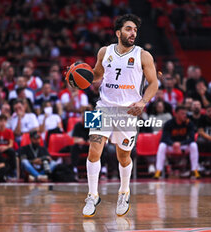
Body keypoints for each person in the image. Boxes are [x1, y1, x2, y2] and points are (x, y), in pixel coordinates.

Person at [79, 14, 158, 217]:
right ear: (118, 32)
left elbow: (154, 83)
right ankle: (92, 195)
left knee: (123, 156)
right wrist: (80, 78)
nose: (133, 33)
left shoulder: (143, 55)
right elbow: (97, 74)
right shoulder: (104, 51)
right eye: (129, 29)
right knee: (93, 149)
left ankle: (124, 191)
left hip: (128, 111)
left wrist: (142, 102)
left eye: (135, 31)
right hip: (103, 107)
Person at [153, 106, 200, 179]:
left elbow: (192, 138)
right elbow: (164, 138)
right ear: (176, 114)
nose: (185, 115)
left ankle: (194, 170)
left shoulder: (189, 123)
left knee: (194, 145)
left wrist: (180, 144)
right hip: (171, 146)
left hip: (183, 146)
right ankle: (159, 171)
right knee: (162, 145)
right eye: (182, 113)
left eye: (185, 113)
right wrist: (173, 144)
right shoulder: (169, 123)